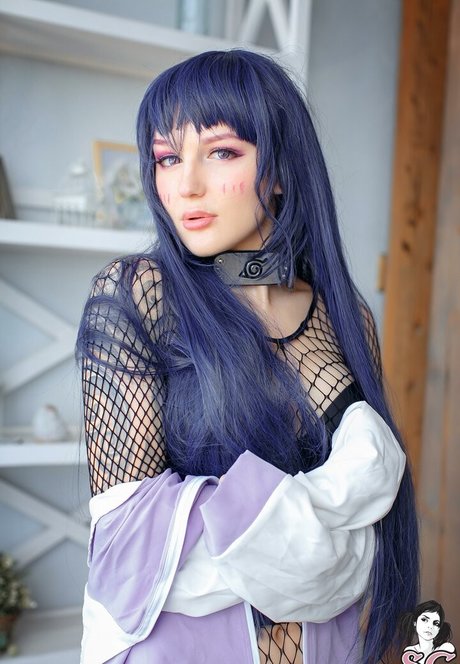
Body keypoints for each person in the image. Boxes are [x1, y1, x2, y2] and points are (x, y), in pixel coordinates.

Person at [75, 49, 419, 664]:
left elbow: (379, 523)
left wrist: (310, 349)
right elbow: (129, 549)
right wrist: (322, 528)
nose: (186, 185)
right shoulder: (141, 295)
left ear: (280, 171)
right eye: (167, 158)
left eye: (221, 152)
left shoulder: (343, 317)